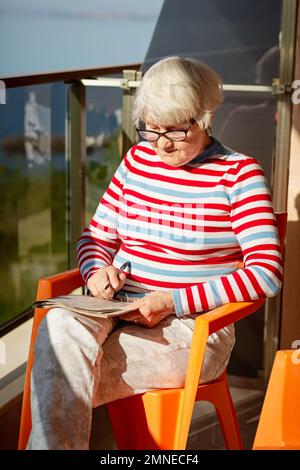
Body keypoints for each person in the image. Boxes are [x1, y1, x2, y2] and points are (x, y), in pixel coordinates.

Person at [27, 56, 283, 449]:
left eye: (177, 131)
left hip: (194, 327)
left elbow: (266, 273)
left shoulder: (239, 174)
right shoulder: (137, 161)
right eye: (151, 128)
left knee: (59, 372)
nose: (162, 143)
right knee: (59, 326)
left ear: (205, 116)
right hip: (116, 309)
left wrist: (173, 301)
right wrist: (96, 272)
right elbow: (95, 238)